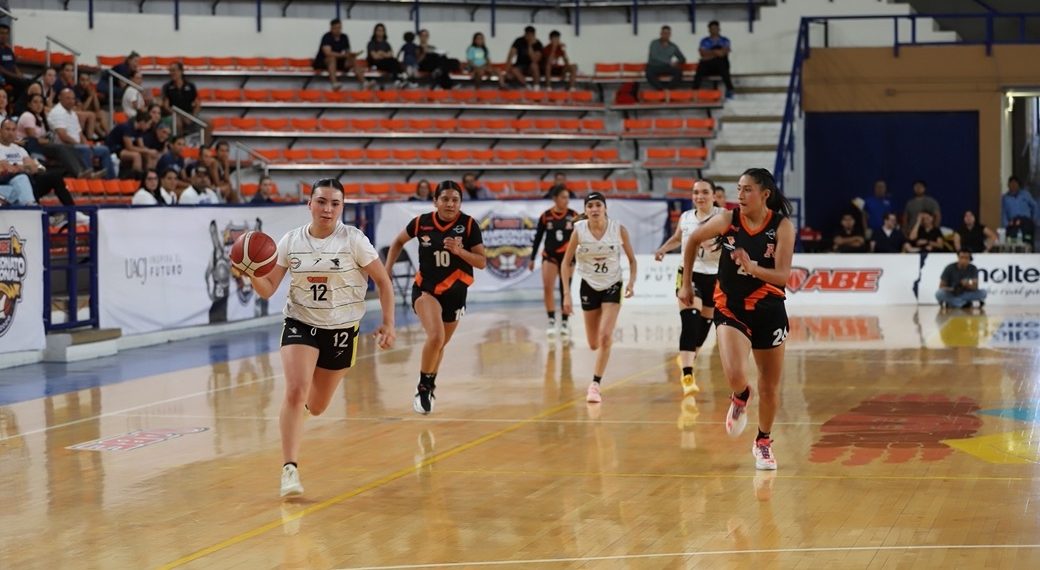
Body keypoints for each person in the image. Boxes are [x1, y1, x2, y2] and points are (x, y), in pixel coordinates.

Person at [246, 178, 396, 497]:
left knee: (317, 405)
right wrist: (251, 273)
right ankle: (290, 469)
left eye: (335, 203)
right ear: (309, 204)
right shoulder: (290, 241)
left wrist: (388, 323)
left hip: (341, 330)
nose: (327, 208)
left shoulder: (354, 240)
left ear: (342, 207)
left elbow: (383, 282)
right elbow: (268, 288)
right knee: (295, 390)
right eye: (322, 201)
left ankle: (297, 416)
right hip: (300, 321)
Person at [678, 168, 794, 471]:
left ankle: (763, 442)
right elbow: (691, 240)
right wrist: (686, 282)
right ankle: (741, 395)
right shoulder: (728, 220)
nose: (739, 195)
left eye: (747, 190)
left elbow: (782, 276)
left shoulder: (782, 227)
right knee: (734, 373)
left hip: (770, 310)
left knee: (770, 386)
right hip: (730, 306)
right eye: (738, 189)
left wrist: (753, 268)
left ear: (764, 194)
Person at [383, 180, 486, 415]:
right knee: (436, 336)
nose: (450, 203)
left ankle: (429, 385)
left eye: (455, 200)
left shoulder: (469, 225)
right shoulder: (422, 222)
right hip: (426, 289)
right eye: (445, 199)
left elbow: (482, 262)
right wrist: (386, 270)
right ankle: (422, 387)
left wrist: (460, 251)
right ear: (435, 201)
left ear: (460, 202)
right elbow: (398, 242)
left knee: (440, 344)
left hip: (457, 293)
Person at [560, 192, 637, 404]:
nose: (594, 209)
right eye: (590, 205)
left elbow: (632, 260)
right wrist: (566, 294)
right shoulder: (579, 231)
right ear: (585, 210)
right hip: (589, 284)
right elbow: (565, 263)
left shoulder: (618, 229)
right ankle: (603, 342)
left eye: (598, 205)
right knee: (593, 343)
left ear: (605, 208)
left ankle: (595, 384)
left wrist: (631, 282)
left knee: (604, 337)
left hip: (613, 284)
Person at [654, 178, 724, 397]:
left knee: (705, 324)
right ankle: (687, 375)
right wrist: (664, 248)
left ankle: (688, 354)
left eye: (704, 192)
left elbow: (734, 244)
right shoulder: (685, 217)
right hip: (689, 274)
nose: (700, 197)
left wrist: (714, 244)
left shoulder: (723, 217)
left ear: (714, 195)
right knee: (690, 321)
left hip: (715, 277)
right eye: (696, 193)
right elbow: (677, 238)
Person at [528, 185, 579, 338]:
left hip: (567, 257)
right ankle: (551, 320)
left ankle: (564, 321)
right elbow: (538, 238)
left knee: (566, 289)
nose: (567, 201)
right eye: (563, 197)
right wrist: (532, 258)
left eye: (568, 197)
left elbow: (582, 235)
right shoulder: (546, 216)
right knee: (547, 288)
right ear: (555, 198)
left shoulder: (574, 215)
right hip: (549, 256)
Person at [48, 88, 115, 178]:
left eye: (73, 98)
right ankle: (90, 178)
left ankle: (110, 181)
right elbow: (63, 136)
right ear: (60, 98)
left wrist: (86, 144)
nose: (71, 101)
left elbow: (80, 133)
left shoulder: (72, 113)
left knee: (104, 150)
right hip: (66, 147)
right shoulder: (57, 112)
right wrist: (80, 144)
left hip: (78, 145)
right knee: (85, 150)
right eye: (68, 98)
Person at [313, 18, 367, 91]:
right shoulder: (326, 37)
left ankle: (364, 82)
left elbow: (347, 52)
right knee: (332, 58)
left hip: (339, 62)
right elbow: (328, 53)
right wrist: (344, 55)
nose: (338, 30)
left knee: (352, 60)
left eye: (339, 27)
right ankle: (334, 83)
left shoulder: (344, 37)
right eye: (336, 28)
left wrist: (351, 55)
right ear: (331, 28)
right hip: (323, 62)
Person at [692, 21, 735, 97]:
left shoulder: (725, 40)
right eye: (712, 28)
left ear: (719, 29)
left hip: (721, 67)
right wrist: (716, 52)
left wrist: (710, 53)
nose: (714, 30)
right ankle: (694, 91)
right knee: (701, 65)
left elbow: (723, 54)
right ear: (709, 30)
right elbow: (702, 54)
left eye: (715, 28)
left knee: (721, 62)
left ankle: (730, 89)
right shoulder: (704, 41)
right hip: (708, 67)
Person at [161, 62, 200, 133]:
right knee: (177, 123)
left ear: (181, 71)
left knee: (208, 123)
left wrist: (193, 117)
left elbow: (197, 104)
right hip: (174, 115)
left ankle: (203, 144)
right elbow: (166, 106)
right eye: (170, 71)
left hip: (189, 114)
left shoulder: (191, 86)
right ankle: (178, 143)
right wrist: (181, 116)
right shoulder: (166, 87)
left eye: (174, 70)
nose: (171, 73)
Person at [1001, 175, 1037, 250]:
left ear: (1018, 185)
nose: (1013, 186)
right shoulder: (1005, 198)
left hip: (1026, 222)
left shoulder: (1025, 195)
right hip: (1013, 224)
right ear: (1008, 185)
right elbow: (1003, 212)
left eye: (1015, 184)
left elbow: (1034, 206)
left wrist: (1034, 219)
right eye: (1011, 184)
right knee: (1013, 244)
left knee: (1028, 242)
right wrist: (1006, 225)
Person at [646, 25, 686, 91]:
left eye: (667, 33)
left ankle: (668, 89)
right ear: (661, 33)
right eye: (664, 33)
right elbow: (654, 56)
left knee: (678, 72)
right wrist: (669, 62)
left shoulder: (673, 46)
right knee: (649, 73)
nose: (665, 35)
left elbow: (682, 58)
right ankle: (661, 90)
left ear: (670, 34)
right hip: (654, 66)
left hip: (666, 67)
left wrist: (678, 62)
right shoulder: (654, 43)